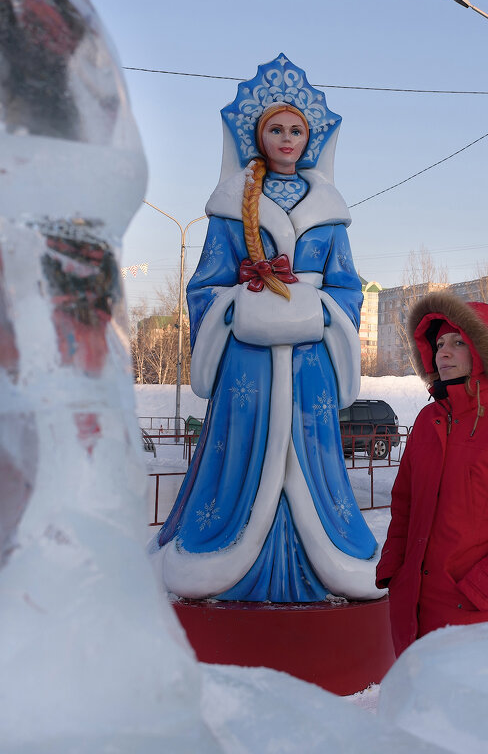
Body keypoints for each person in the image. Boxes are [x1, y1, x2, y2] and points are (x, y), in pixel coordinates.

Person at [152, 55, 382, 603]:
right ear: (258, 136)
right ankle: (224, 553)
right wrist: (236, 307)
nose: (287, 138)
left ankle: (323, 559)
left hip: (311, 361)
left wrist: (322, 310)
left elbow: (348, 286)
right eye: (276, 129)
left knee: (313, 445)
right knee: (243, 444)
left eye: (296, 130)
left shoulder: (328, 211)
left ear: (310, 139)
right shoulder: (233, 207)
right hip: (247, 359)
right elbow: (205, 284)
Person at [375, 292, 488, 655]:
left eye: (458, 343)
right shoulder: (428, 420)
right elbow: (405, 506)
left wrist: (483, 586)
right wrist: (395, 568)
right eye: (440, 343)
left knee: (468, 710)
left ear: (485, 349)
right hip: (413, 610)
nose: (442, 353)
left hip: (477, 616)